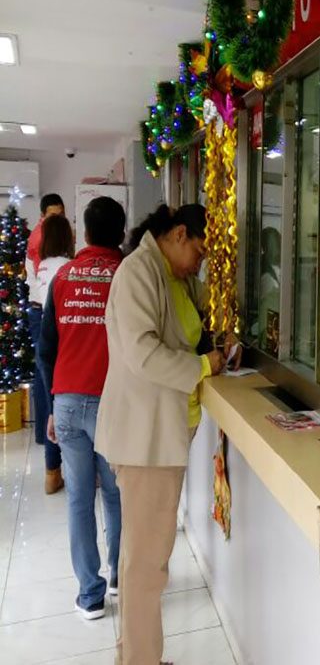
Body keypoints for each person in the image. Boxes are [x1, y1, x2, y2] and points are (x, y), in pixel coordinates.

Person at [96, 204, 227, 665]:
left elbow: (194, 321)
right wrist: (201, 366)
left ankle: (132, 656)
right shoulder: (139, 272)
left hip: (158, 436)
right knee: (147, 567)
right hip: (145, 440)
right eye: (199, 250)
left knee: (140, 559)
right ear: (177, 234)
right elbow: (143, 353)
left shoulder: (174, 275)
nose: (199, 261)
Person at [38, 198, 126, 621]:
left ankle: (90, 595)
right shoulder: (128, 276)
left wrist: (52, 406)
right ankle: (120, 577)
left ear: (85, 234)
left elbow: (46, 350)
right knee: (115, 492)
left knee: (78, 498)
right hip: (113, 403)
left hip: (68, 401)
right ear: (121, 234)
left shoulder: (62, 277)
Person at [27, 193, 67, 493]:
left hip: (41, 315)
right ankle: (56, 467)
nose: (58, 220)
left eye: (61, 214)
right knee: (56, 390)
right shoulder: (57, 261)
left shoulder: (44, 257)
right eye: (54, 215)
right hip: (48, 318)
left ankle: (51, 466)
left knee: (47, 384)